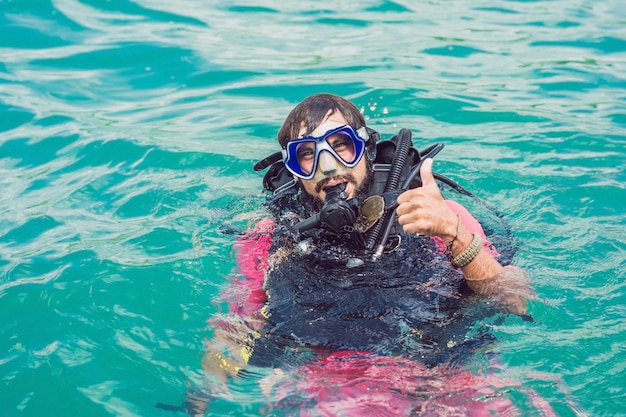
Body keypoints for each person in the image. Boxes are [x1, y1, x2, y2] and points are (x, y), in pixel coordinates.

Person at [178, 93, 544, 416]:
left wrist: (455, 234)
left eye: (341, 145)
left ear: (366, 150)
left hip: (450, 367)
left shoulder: (437, 215)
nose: (329, 168)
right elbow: (238, 324)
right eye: (307, 155)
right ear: (294, 172)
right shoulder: (271, 238)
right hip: (339, 378)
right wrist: (206, 387)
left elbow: (516, 301)